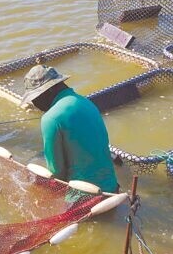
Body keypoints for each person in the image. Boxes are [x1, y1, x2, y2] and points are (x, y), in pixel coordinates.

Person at [21, 65, 118, 193]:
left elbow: (56, 172)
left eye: (35, 98)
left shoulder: (50, 118)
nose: (35, 104)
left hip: (83, 194)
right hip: (111, 187)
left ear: (48, 90)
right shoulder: (85, 101)